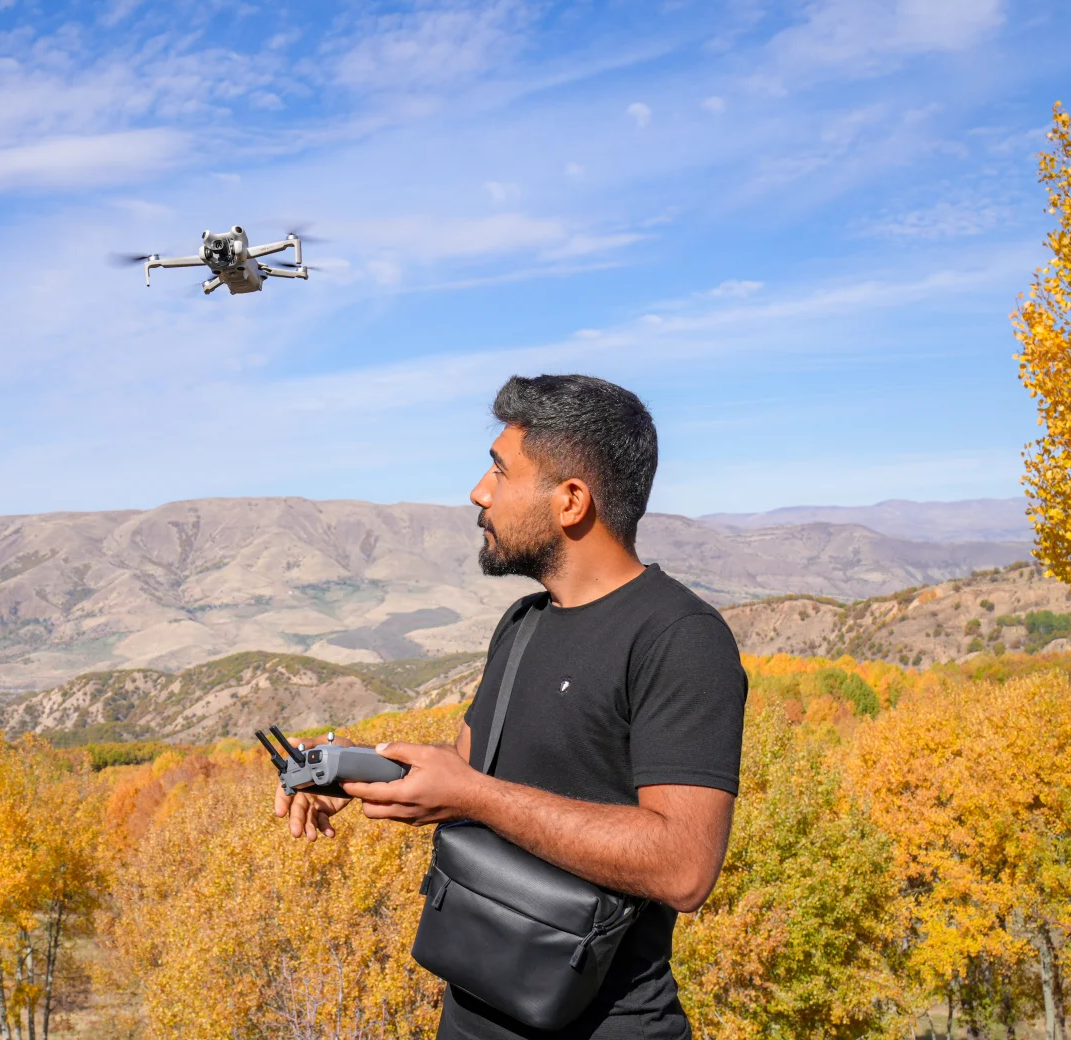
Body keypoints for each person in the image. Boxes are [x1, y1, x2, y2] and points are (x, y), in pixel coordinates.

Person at [275, 373, 748, 1040]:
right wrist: (347, 772)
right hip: (472, 1012)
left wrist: (472, 797)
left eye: (500, 469)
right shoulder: (524, 623)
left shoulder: (678, 638)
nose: (479, 491)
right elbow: (468, 772)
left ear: (571, 500)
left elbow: (683, 865)